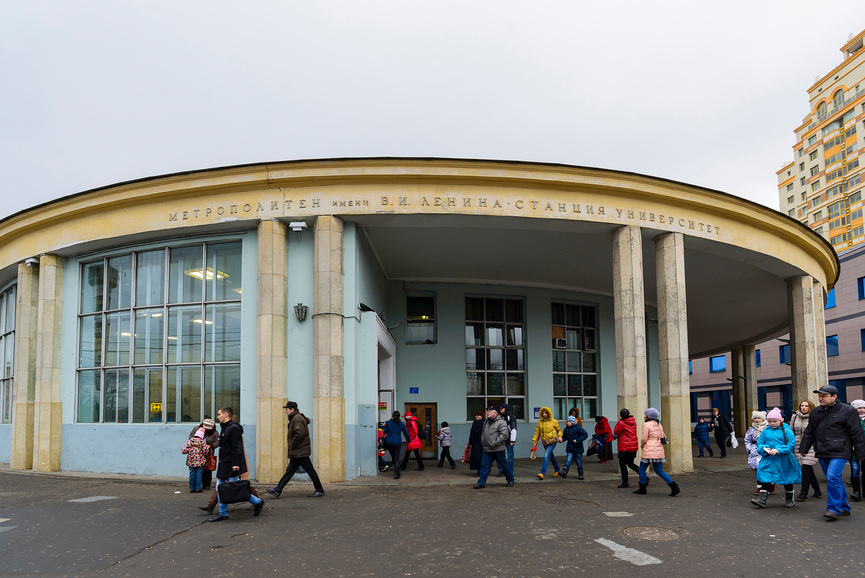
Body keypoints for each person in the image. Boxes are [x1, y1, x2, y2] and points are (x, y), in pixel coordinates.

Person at [800, 384, 865, 520]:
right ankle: (844, 507)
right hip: (822, 450)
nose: (820, 398)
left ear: (834, 396)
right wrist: (804, 448)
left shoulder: (848, 411)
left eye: (824, 396)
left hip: (840, 451)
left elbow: (857, 434)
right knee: (835, 480)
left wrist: (860, 454)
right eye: (819, 396)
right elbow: (810, 432)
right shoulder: (816, 412)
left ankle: (833, 508)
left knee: (832, 477)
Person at [208, 406, 263, 522]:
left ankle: (257, 502)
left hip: (230, 464)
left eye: (219, 414)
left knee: (235, 489)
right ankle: (223, 513)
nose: (218, 417)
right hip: (225, 463)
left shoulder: (233, 428)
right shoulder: (226, 427)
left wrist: (236, 464)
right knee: (220, 488)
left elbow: (237, 447)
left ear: (226, 415)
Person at [267, 401, 325, 498]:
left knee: (309, 470)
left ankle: (319, 489)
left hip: (300, 451)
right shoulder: (295, 418)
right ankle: (278, 490)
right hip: (298, 451)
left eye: (287, 409)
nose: (285, 411)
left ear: (292, 409)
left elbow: (299, 434)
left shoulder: (297, 418)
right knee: (290, 471)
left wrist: (292, 445)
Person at [750, 407, 800, 508]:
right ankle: (762, 500)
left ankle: (790, 499)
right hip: (769, 459)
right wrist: (764, 449)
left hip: (784, 460)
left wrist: (778, 450)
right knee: (766, 478)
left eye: (774, 421)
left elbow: (791, 445)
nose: (772, 423)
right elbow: (759, 443)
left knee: (787, 479)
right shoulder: (765, 431)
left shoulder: (787, 431)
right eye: (770, 421)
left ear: (780, 420)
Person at [633, 408, 680, 497]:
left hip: (649, 448)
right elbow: (661, 436)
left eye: (645, 414)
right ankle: (674, 486)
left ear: (648, 416)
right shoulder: (659, 424)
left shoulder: (646, 424)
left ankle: (642, 488)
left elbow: (643, 438)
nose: (644, 416)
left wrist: (642, 446)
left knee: (642, 469)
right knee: (659, 471)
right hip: (658, 448)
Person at [472, 406, 515, 489]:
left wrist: (495, 443)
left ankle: (510, 479)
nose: (488, 412)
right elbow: (483, 433)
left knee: (504, 465)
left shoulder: (501, 422)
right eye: (487, 411)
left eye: (490, 411)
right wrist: (483, 441)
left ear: (495, 413)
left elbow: (504, 435)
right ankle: (481, 482)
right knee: (484, 466)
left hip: (498, 449)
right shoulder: (486, 422)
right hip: (487, 449)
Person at [790, 400, 821, 501]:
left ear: (810, 407)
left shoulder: (815, 417)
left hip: (811, 446)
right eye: (802, 405)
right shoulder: (794, 417)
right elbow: (791, 431)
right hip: (797, 446)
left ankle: (803, 494)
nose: (803, 407)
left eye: (806, 406)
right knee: (808, 470)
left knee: (806, 468)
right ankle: (817, 490)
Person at [531, 406, 563, 480]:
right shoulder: (540, 422)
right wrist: (534, 442)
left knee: (546, 455)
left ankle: (542, 473)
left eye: (546, 413)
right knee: (551, 456)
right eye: (543, 413)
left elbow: (559, 430)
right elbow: (537, 433)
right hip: (545, 442)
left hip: (552, 441)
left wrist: (560, 436)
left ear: (549, 414)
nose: (544, 414)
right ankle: (557, 469)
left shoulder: (554, 421)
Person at [744, 411, 769, 495]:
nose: (757, 420)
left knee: (764, 469)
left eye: (759, 418)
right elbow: (747, 439)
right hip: (754, 451)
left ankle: (767, 486)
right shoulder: (751, 428)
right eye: (755, 418)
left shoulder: (767, 427)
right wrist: (749, 449)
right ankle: (759, 487)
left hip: (765, 450)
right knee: (757, 469)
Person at [613, 408, 640, 488]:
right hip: (633, 446)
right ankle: (644, 475)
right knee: (631, 464)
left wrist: (618, 423)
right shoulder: (633, 421)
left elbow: (616, 432)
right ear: (629, 414)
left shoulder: (621, 423)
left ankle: (625, 482)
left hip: (624, 447)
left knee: (623, 465)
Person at [381, 411, 411, 479]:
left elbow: (385, 431)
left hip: (389, 442)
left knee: (393, 457)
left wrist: (383, 426)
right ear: (399, 416)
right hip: (397, 443)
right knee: (396, 458)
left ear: (392, 415)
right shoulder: (401, 424)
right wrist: (409, 440)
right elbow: (406, 433)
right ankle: (396, 474)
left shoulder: (388, 422)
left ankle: (397, 472)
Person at [182, 427, 210, 493]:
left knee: (192, 474)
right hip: (200, 462)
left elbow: (184, 450)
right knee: (199, 475)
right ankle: (198, 488)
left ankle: (192, 488)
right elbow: (206, 452)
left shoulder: (189, 441)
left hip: (191, 461)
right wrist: (207, 449)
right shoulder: (202, 442)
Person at [561, 415, 588, 479]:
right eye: (567, 421)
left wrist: (577, 440)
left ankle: (581, 474)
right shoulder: (566, 429)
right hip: (570, 447)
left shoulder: (578, 428)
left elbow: (585, 435)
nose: (568, 422)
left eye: (569, 421)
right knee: (568, 460)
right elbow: (565, 437)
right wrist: (561, 440)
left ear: (573, 422)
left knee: (578, 461)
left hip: (578, 448)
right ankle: (564, 472)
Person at [496, 403, 518, 477]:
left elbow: (513, 429)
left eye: (502, 408)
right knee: (499, 455)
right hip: (501, 439)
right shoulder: (500, 417)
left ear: (506, 409)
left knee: (510, 455)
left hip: (509, 439)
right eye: (500, 408)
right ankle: (502, 470)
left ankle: (510, 470)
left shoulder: (511, 417)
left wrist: (512, 440)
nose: (500, 409)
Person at [850, 399, 865, 502]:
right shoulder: (850, 420)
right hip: (853, 450)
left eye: (864, 408)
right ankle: (856, 492)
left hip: (864, 449)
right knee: (855, 470)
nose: (862, 410)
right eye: (859, 408)